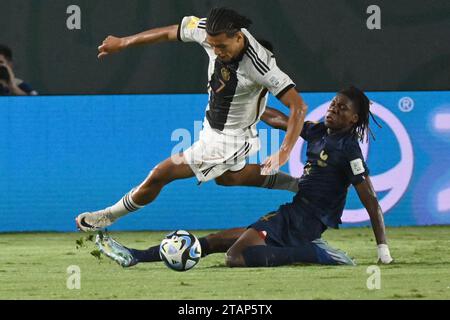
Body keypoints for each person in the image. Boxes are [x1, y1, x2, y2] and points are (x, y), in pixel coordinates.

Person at [95, 86, 394, 267]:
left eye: (342, 108)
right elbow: (279, 119)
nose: (334, 108)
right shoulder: (318, 131)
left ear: (354, 119)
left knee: (236, 257)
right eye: (333, 103)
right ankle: (137, 256)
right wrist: (250, 102)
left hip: (305, 222)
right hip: (293, 214)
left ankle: (312, 253)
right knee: (213, 242)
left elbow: (370, 199)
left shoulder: (350, 150)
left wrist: (383, 249)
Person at [76, 8, 308, 231]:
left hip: (230, 141)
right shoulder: (209, 29)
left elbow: (298, 106)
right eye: (212, 45)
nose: (216, 51)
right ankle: (301, 185)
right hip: (211, 128)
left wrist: (284, 152)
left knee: (162, 173)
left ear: (238, 37)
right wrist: (123, 42)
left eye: (222, 46)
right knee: (229, 178)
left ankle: (108, 216)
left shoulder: (260, 64)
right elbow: (170, 32)